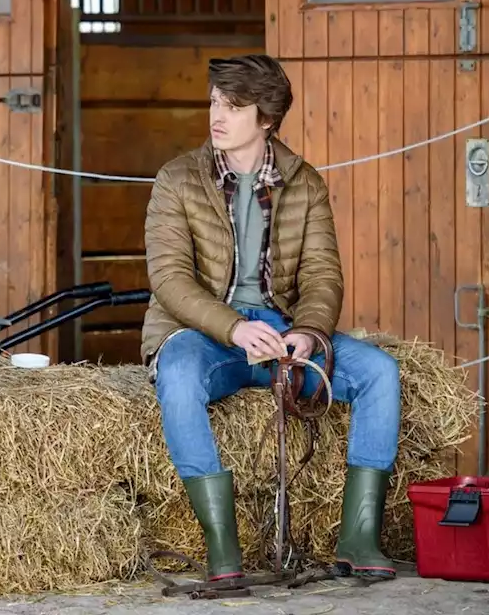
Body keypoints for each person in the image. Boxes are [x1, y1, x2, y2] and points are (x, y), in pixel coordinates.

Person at [141, 54, 401, 582]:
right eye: (214, 101)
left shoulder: (304, 182)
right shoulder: (176, 179)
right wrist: (234, 328)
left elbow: (324, 275)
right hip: (202, 333)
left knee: (380, 373)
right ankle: (222, 547)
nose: (216, 114)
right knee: (178, 374)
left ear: (266, 118)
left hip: (282, 330)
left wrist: (308, 331)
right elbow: (169, 280)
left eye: (233, 106)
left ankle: (359, 536)